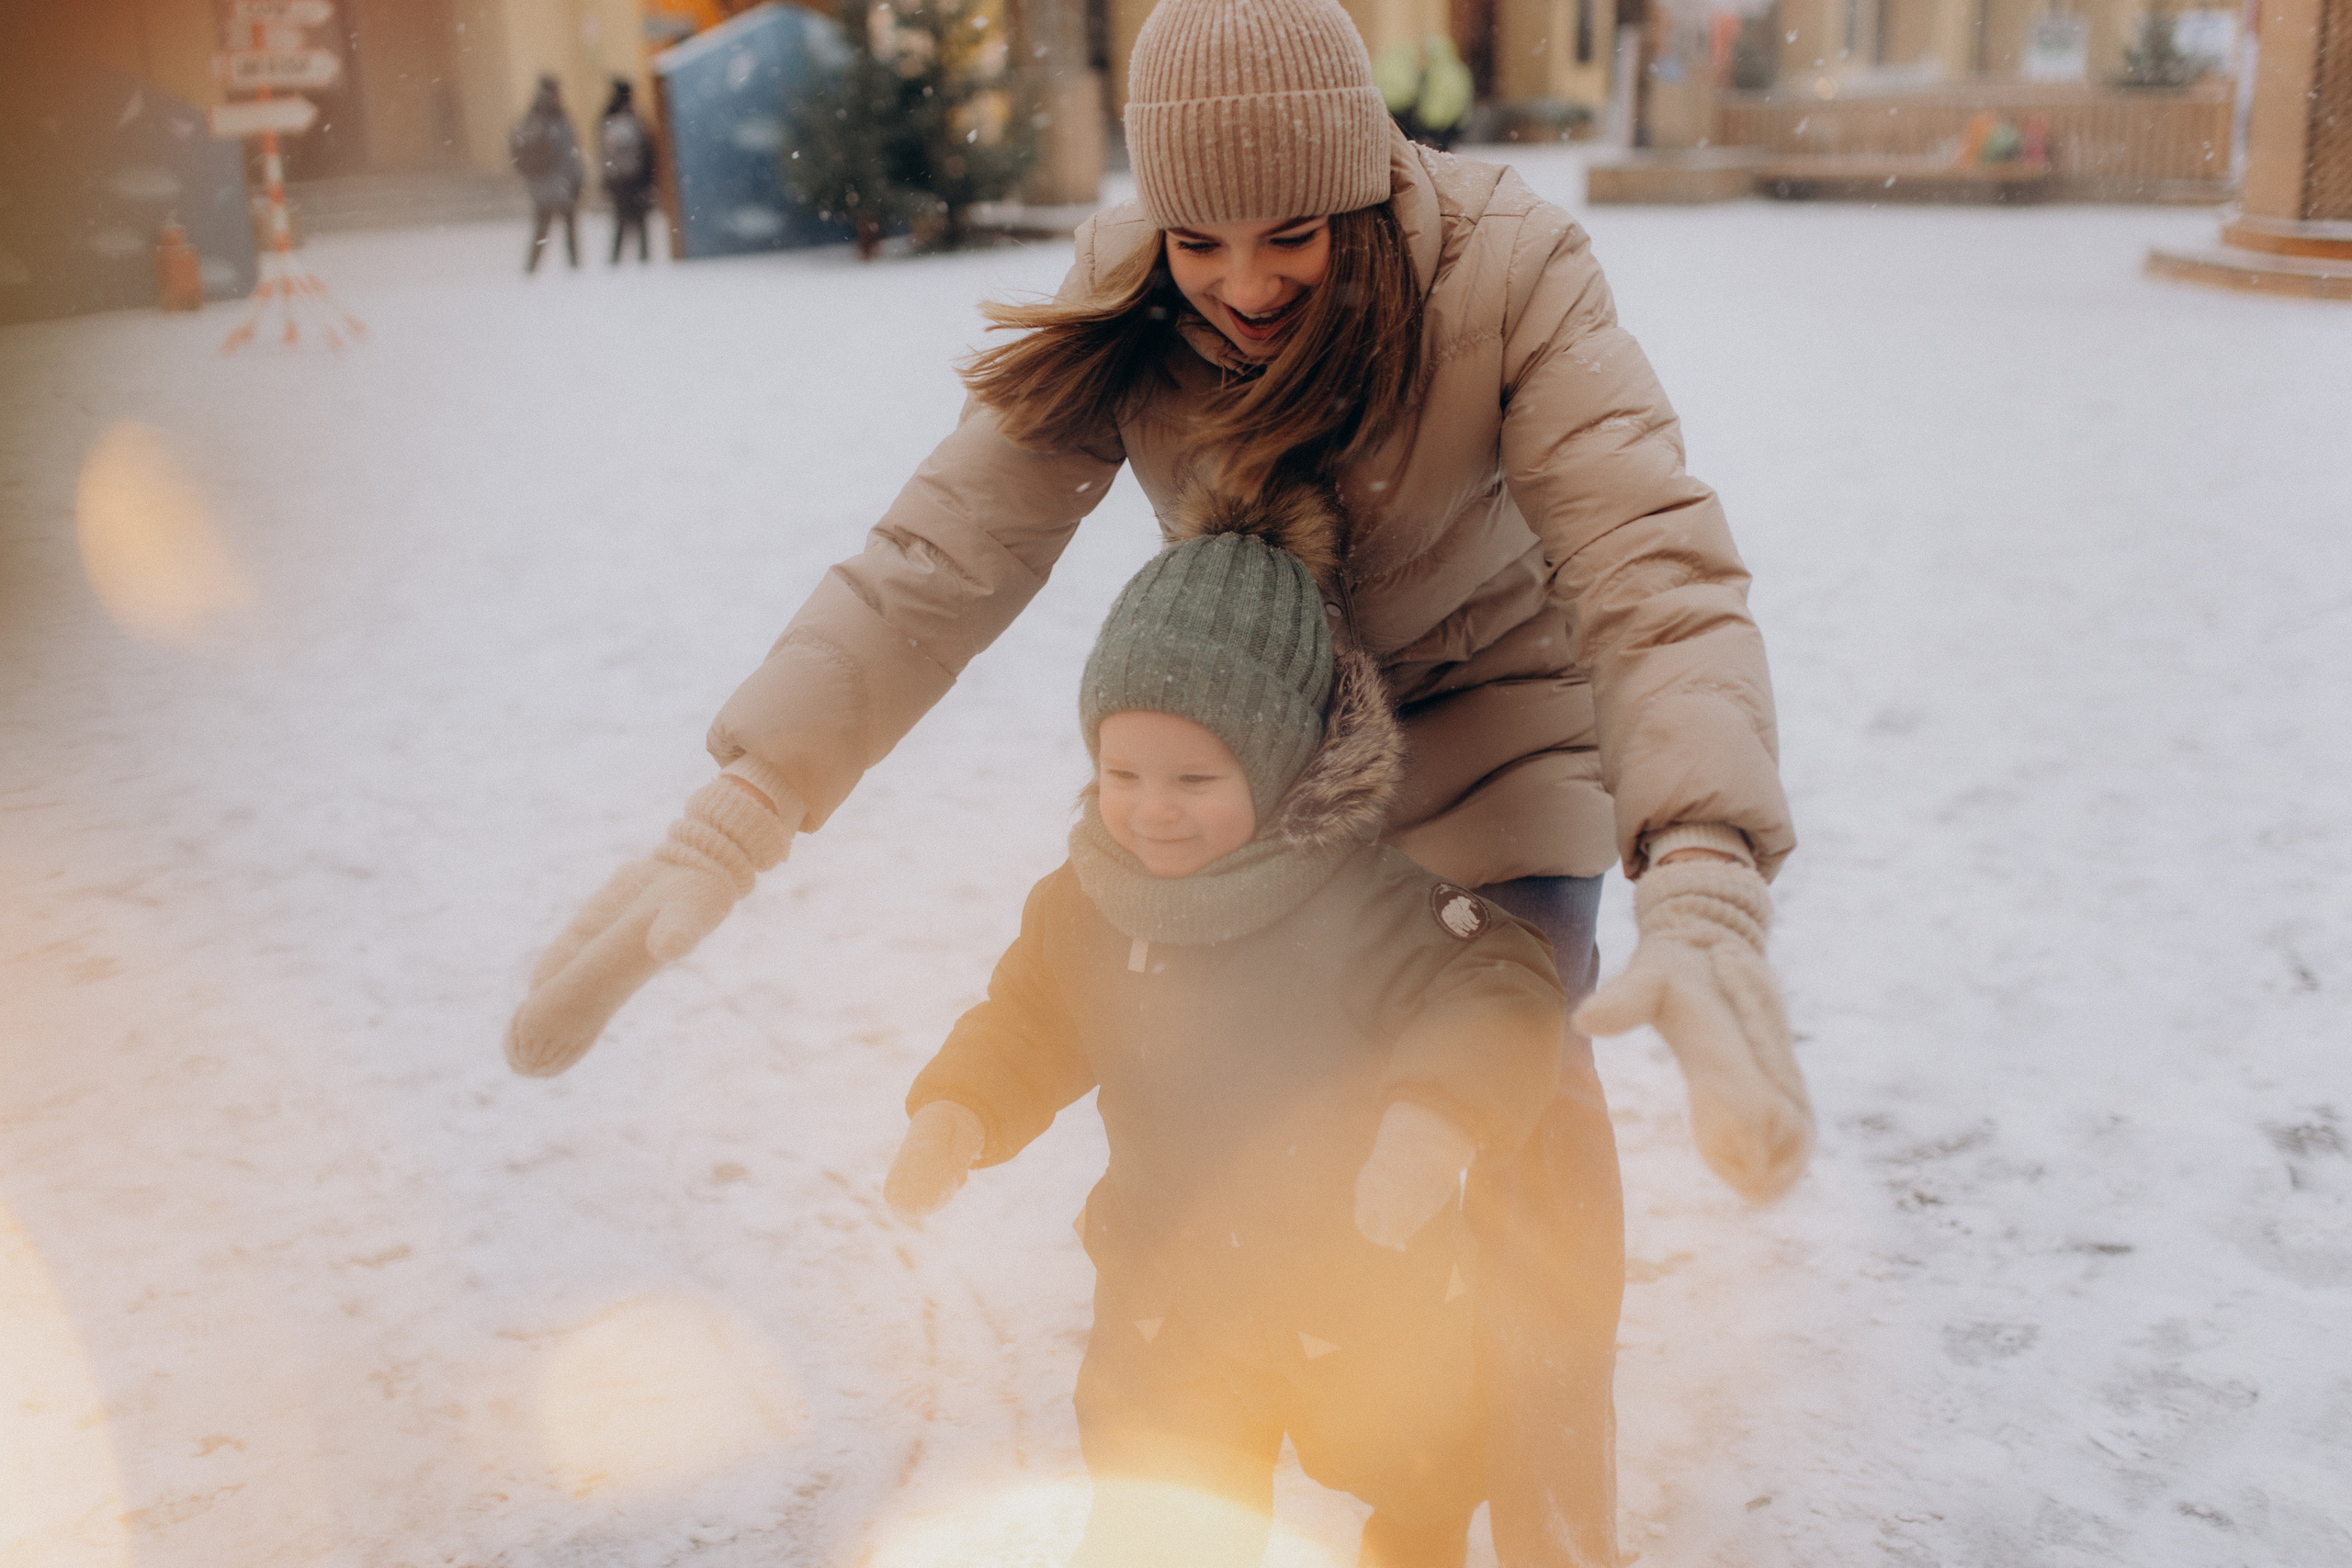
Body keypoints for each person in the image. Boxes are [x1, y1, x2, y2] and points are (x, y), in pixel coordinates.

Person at [505, 0, 1815, 1559]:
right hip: (1271, 737)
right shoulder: (1131, 296)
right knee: (1248, 1100)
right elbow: (940, 559)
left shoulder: (1510, 269)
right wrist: (748, 799)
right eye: (1200, 240)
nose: (1244, 284)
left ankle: (1541, 1504)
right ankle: (1266, 1413)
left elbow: (1649, 569)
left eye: (1291, 234)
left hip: (1498, 724)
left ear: (1368, 186)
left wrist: (1708, 867)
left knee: (1510, 1079)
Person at [886, 484, 1567, 1567]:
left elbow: (1502, 982)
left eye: (1195, 779)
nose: (1152, 807)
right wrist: (959, 1110)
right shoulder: (1087, 905)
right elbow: (1029, 1017)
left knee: (1415, 1455)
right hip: (1171, 1292)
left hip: (1358, 1282)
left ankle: (1417, 1535)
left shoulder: (1361, 900)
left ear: (1281, 759)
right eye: (1122, 773)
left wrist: (1434, 1119)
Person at [509, 74, 582, 275]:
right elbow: (570, 155)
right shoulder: (559, 119)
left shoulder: (533, 118)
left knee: (542, 231)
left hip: (541, 186)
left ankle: (532, 268)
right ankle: (574, 268)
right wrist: (577, 179)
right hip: (562, 183)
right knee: (568, 229)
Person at [597, 78, 659, 265]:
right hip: (632, 178)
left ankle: (620, 261)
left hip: (620, 178)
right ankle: (640, 260)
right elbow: (646, 150)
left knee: (624, 222)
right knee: (636, 222)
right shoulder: (629, 119)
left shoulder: (608, 119)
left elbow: (604, 152)